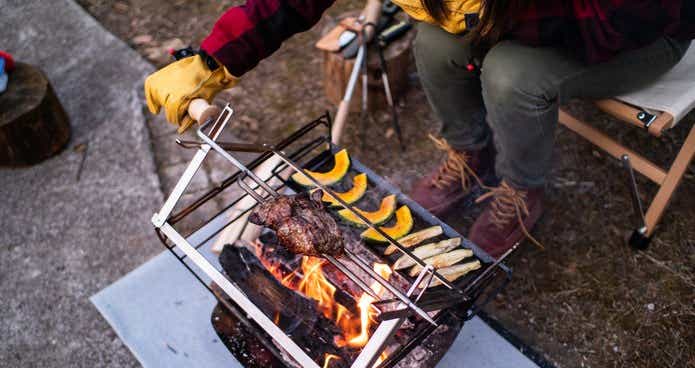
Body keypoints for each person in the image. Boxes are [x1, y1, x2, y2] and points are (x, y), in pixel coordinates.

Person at [145, 0, 694, 257]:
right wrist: (215, 59)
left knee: (509, 73)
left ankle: (523, 189)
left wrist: (508, 22)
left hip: (632, 28)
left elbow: (631, 16)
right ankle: (468, 153)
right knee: (432, 39)